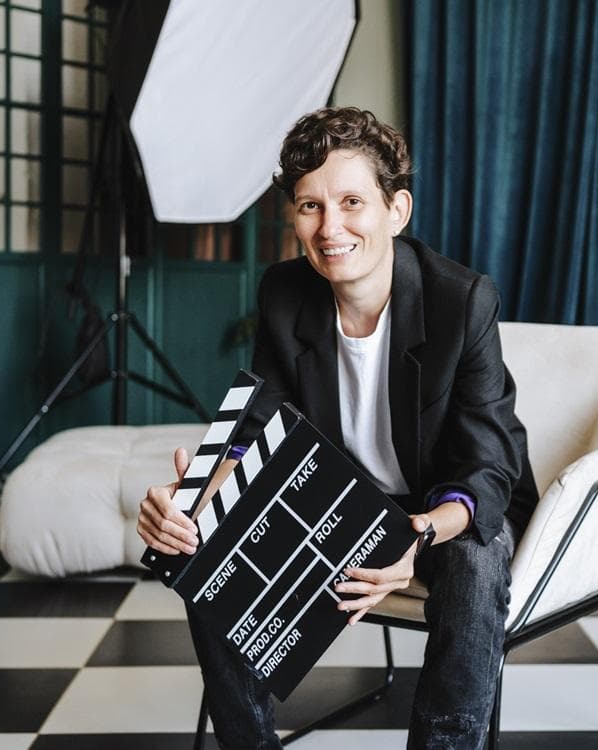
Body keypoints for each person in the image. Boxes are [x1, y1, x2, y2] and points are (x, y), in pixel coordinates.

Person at [137, 106, 539, 749]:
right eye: (309, 207)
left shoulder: (461, 299)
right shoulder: (284, 292)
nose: (331, 228)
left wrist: (418, 534)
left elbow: (487, 463)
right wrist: (195, 499)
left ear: (396, 211)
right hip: (342, 499)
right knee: (201, 544)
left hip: (445, 506)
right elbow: (255, 422)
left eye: (352, 201)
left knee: (475, 564)